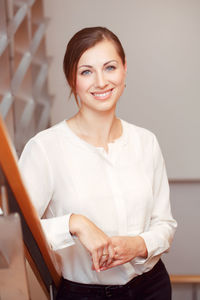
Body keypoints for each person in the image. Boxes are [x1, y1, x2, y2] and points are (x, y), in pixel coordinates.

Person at [19, 27, 177, 300]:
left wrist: (138, 245)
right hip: (84, 294)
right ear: (72, 80)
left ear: (125, 69)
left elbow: (164, 223)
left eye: (110, 67)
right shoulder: (45, 148)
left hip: (152, 288)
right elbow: (12, 229)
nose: (101, 82)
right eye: (86, 71)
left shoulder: (145, 142)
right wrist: (74, 223)